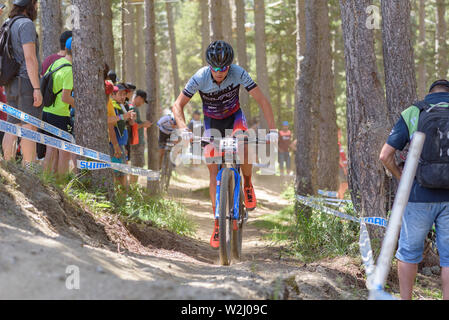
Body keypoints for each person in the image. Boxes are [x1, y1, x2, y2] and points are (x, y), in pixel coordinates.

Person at [172, 40, 277, 249]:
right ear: (209, 66)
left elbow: (262, 100)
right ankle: (218, 223)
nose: (220, 72)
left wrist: (273, 130)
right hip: (212, 123)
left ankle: (247, 183)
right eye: (216, 68)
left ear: (230, 66)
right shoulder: (200, 77)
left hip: (235, 118)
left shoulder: (238, 72)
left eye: (224, 68)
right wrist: (183, 128)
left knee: (245, 146)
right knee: (213, 171)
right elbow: (178, 105)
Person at [379, 79, 449, 300]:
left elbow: (385, 156)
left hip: (418, 195)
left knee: (408, 253)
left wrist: (404, 179)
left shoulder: (414, 112)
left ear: (429, 94)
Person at [2, 0, 42, 169]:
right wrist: (37, 88)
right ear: (30, 5)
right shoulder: (26, 24)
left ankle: (9, 169)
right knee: (29, 126)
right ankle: (29, 171)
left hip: (9, 82)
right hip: (25, 82)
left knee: (12, 125)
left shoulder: (8, 24)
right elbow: (30, 58)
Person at [42, 37, 74, 176]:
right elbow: (65, 97)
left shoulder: (56, 63)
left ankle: (46, 178)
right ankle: (62, 182)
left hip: (46, 111)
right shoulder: (69, 71)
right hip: (60, 114)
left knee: (50, 148)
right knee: (64, 150)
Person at [107, 83, 135, 187]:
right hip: (114, 145)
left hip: (121, 144)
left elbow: (129, 123)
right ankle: (120, 197)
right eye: (120, 94)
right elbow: (111, 127)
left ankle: (123, 196)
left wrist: (131, 118)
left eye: (125, 94)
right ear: (113, 95)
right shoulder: (112, 106)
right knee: (117, 174)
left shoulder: (122, 106)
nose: (123, 97)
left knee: (122, 174)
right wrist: (116, 146)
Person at [129, 89, 152, 185]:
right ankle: (132, 187)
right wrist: (143, 124)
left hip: (137, 141)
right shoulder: (133, 108)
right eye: (142, 101)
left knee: (136, 166)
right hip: (136, 142)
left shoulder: (133, 108)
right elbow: (132, 126)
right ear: (138, 98)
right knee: (136, 166)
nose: (142, 104)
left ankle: (132, 187)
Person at [337, 128, 348, 199]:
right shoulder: (336, 144)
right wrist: (344, 168)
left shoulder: (339, 143)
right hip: (341, 167)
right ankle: (340, 200)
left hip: (343, 166)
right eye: (339, 133)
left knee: (344, 185)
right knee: (343, 184)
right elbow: (338, 158)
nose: (340, 134)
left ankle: (340, 199)